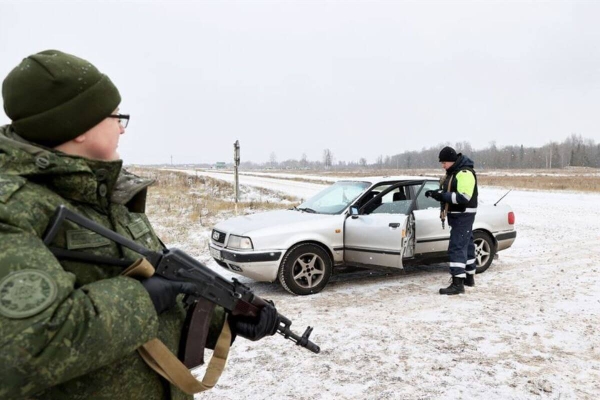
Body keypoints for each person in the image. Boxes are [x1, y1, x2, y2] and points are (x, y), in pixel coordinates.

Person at [0, 50, 279, 400]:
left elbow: (169, 292)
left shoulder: (109, 194)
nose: (121, 127)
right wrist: (141, 299)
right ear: (77, 124)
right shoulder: (12, 208)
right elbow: (21, 352)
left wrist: (227, 319)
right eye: (115, 116)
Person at [425, 146, 478, 295]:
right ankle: (468, 277)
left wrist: (442, 196)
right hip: (459, 214)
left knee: (457, 246)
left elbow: (463, 197)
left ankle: (457, 284)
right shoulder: (455, 172)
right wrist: (437, 194)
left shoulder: (464, 173)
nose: (443, 166)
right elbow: (452, 192)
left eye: (444, 163)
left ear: (451, 160)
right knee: (467, 245)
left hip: (463, 214)